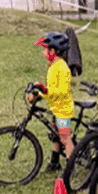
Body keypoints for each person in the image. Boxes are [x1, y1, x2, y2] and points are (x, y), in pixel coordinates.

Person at [32, 32, 74, 172]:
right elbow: (52, 88)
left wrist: (44, 92)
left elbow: (61, 91)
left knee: (65, 138)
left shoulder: (62, 68)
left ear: (53, 51)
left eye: (45, 49)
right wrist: (41, 91)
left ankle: (70, 167)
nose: (43, 52)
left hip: (63, 111)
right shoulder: (53, 66)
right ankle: (54, 163)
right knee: (55, 136)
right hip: (55, 108)